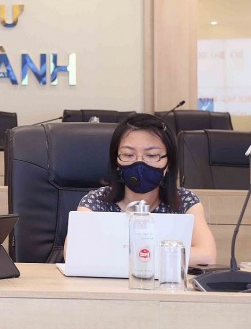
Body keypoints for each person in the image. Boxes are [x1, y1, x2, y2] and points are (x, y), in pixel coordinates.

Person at [74, 113, 216, 266]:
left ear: (169, 163)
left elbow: (207, 256)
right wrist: (164, 255)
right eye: (128, 154)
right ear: (116, 161)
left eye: (152, 155)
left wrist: (124, 254)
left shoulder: (184, 201)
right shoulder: (97, 202)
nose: (139, 163)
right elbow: (74, 252)